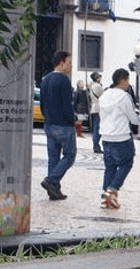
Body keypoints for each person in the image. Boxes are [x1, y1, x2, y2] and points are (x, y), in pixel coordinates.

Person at [98, 68, 140, 210]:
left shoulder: (104, 96)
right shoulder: (124, 97)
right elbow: (133, 119)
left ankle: (106, 198)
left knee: (109, 167)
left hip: (106, 136)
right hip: (122, 136)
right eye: (128, 80)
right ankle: (112, 189)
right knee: (126, 164)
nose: (128, 84)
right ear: (123, 81)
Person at [37, 51, 76, 201]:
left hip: (49, 123)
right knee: (69, 156)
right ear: (61, 62)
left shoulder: (45, 79)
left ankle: (54, 191)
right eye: (69, 62)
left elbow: (42, 103)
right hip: (64, 125)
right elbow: (67, 104)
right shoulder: (63, 80)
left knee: (53, 157)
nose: (71, 66)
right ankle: (51, 180)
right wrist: (72, 119)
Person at [88, 72, 106, 154]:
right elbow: (103, 96)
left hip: (93, 108)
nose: (100, 78)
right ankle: (96, 146)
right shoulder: (98, 86)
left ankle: (96, 145)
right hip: (98, 108)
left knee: (95, 128)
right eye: (99, 77)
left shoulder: (91, 85)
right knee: (97, 128)